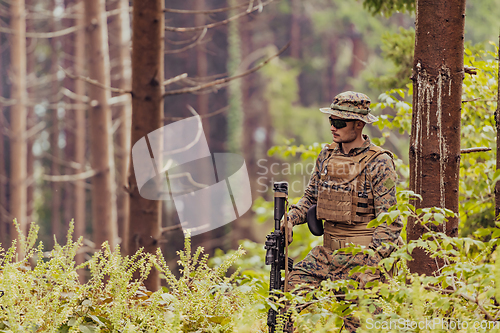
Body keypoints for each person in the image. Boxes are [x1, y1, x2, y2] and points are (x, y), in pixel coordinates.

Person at [280, 91, 402, 332]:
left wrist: (372, 266)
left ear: (359, 125)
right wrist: (291, 218)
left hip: (362, 257)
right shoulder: (326, 156)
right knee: (287, 300)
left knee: (360, 325)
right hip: (327, 253)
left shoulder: (379, 162)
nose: (333, 128)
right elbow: (310, 198)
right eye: (331, 121)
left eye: (339, 122)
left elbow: (390, 222)